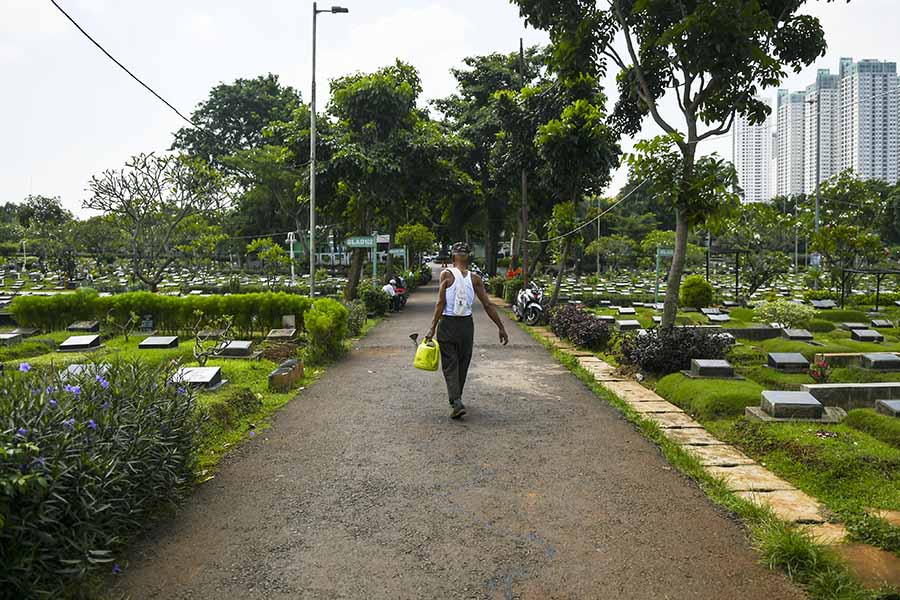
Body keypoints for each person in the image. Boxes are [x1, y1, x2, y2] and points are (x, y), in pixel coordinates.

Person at [426, 242, 509, 419]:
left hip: (447, 325)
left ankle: (456, 401)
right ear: (468, 257)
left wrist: (432, 328)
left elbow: (440, 303)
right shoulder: (475, 278)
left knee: (450, 364)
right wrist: (501, 327)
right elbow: (487, 304)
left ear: (453, 257)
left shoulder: (446, 275)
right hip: (466, 327)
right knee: (463, 363)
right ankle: (457, 399)